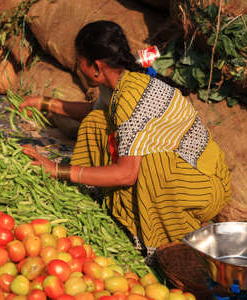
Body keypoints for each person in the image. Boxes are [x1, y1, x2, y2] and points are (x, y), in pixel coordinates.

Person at [20, 20, 231, 263]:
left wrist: (58, 170)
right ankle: (107, 197)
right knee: (96, 121)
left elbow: (126, 175)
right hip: (188, 172)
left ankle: (168, 248)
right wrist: (45, 103)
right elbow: (93, 110)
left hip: (201, 185)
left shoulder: (132, 98)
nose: (79, 69)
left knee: (151, 166)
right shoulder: (121, 79)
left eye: (81, 63)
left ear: (96, 67)